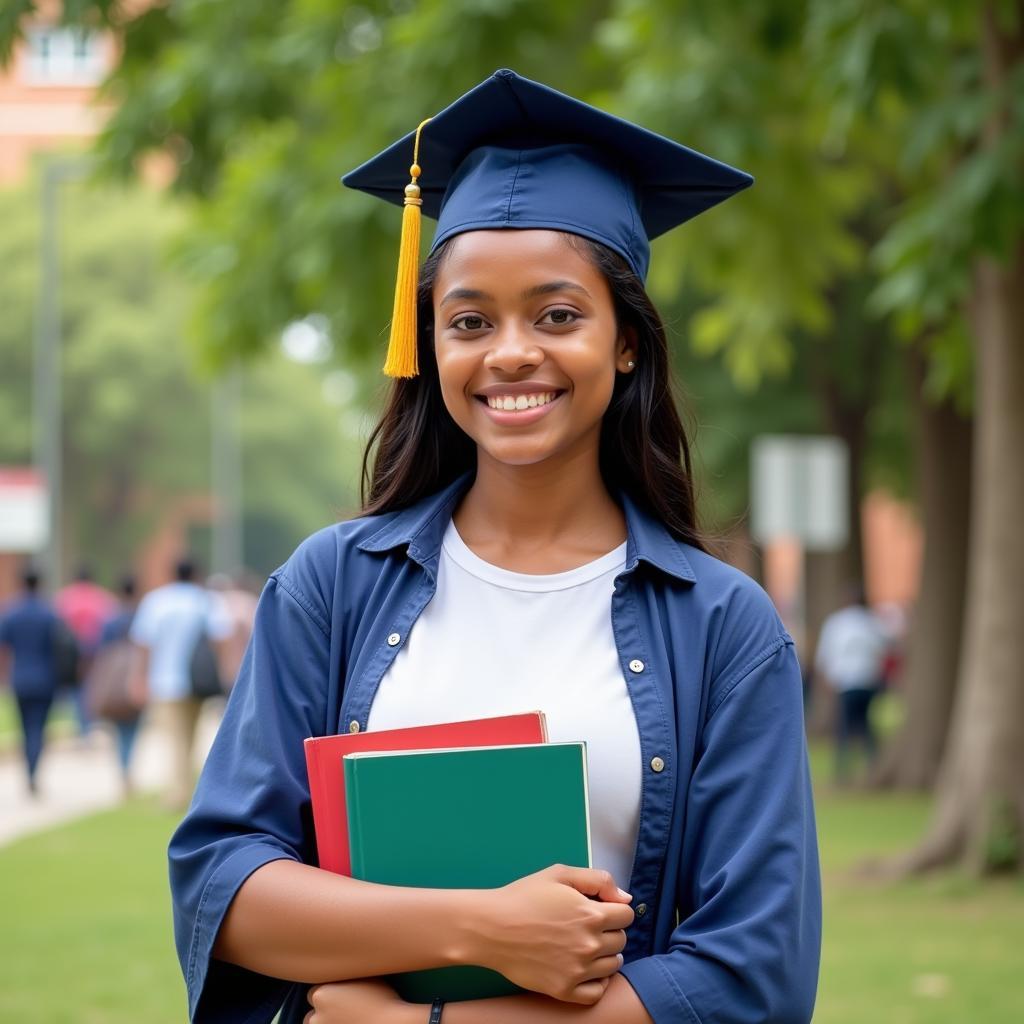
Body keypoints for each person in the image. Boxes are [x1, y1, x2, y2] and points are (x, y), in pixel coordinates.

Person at [169, 70, 821, 1024]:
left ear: (626, 341)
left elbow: (751, 970)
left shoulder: (723, 627)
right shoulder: (333, 587)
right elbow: (223, 884)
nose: (510, 352)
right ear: (430, 344)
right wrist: (483, 929)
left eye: (558, 315)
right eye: (469, 321)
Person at [130, 557, 232, 809]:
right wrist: (221, 673)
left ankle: (178, 793)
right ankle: (187, 789)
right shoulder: (206, 601)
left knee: (174, 738)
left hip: (164, 681)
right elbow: (221, 639)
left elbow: (144, 644)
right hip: (199, 681)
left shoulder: (157, 601)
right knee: (192, 737)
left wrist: (139, 677)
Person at [814, 585, 890, 784]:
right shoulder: (871, 621)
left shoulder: (836, 623)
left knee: (845, 726)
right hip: (868, 680)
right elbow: (883, 649)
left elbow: (824, 655)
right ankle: (873, 765)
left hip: (845, 682)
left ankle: (842, 770)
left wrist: (825, 681)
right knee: (866, 724)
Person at [0, 566, 60, 795]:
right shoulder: (48, 614)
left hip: (21, 678)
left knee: (25, 729)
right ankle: (33, 772)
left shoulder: (11, 613)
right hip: (45, 678)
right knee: (39, 729)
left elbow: (4, 649)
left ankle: (29, 771)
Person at [88, 574, 146, 798]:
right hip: (135, 678)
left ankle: (123, 768)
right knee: (133, 728)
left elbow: (100, 652)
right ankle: (128, 767)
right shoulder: (141, 616)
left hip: (113, 680)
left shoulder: (110, 621)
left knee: (118, 729)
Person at [54, 564, 117, 737]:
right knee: (92, 687)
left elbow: (58, 626)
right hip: (94, 652)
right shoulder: (102, 598)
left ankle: (81, 725)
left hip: (71, 653)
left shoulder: (65, 598)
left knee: (76, 691)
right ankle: (89, 723)